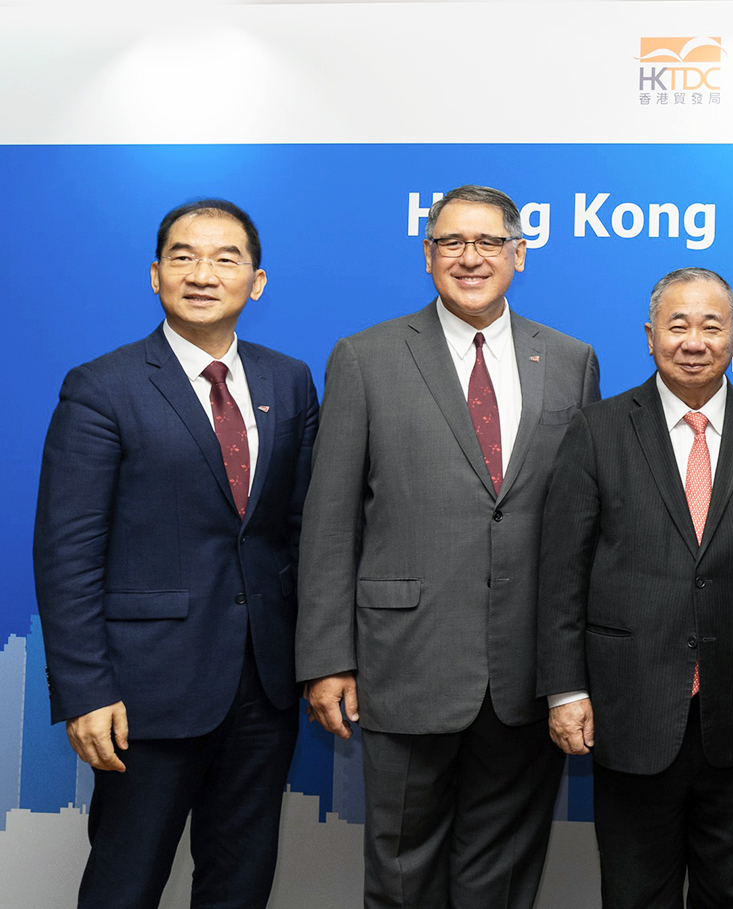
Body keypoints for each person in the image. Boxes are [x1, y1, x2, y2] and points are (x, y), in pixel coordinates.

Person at [296, 184, 600, 908]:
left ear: (519, 255)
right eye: (451, 243)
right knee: (402, 874)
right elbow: (331, 519)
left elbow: (586, 524)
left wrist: (576, 670)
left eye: (489, 242)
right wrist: (328, 657)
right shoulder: (364, 357)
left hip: (527, 672)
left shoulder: (570, 360)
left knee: (501, 879)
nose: (470, 257)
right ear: (427, 256)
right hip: (404, 663)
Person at [34, 199, 318, 909]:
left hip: (264, 685)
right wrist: (86, 689)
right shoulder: (102, 386)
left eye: (226, 258)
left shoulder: (289, 381)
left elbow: (300, 528)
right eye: (184, 257)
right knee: (125, 884)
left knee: (239, 881)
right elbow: (67, 552)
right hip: (145, 693)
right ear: (155, 275)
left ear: (256, 281)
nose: (203, 273)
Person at [538, 267, 733, 909]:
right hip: (628, 708)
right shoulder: (597, 429)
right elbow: (561, 574)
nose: (694, 340)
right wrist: (566, 689)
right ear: (650, 335)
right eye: (677, 324)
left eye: (711, 325)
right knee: (635, 895)